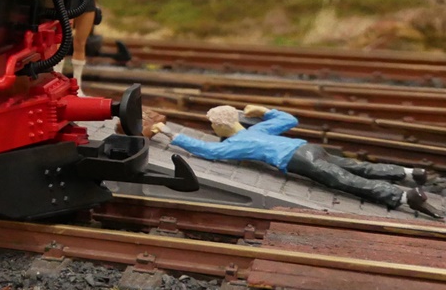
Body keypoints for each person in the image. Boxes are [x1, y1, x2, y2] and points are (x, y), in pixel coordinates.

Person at [147, 104, 441, 216]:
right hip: (308, 147)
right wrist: (264, 111)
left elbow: (208, 152)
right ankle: (407, 172)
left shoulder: (237, 144)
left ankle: (402, 197)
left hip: (298, 160)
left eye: (213, 126)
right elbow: (290, 120)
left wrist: (171, 134)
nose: (213, 131)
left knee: (344, 180)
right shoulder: (258, 129)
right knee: (356, 166)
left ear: (221, 127)